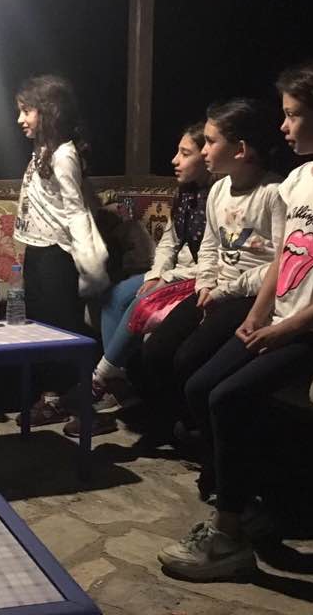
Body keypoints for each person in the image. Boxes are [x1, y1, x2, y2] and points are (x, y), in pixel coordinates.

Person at [159, 59, 313, 580]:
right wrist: (260, 314)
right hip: (282, 318)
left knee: (228, 396)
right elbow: (285, 255)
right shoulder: (300, 179)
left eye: (293, 114)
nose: (282, 126)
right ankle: (249, 500)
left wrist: (289, 328)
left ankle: (228, 534)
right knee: (199, 385)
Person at [141, 99, 285, 425]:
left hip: (251, 296)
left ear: (241, 149)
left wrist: (225, 291)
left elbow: (281, 262)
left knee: (188, 357)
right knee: (155, 350)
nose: (204, 150)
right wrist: (206, 283)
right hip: (214, 288)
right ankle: (174, 424)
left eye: (210, 141)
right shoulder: (219, 190)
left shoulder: (274, 192)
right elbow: (209, 246)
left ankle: (194, 429)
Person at [87, 122, 212, 415]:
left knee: (143, 302)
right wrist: (157, 274)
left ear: (205, 157)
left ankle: (102, 378)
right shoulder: (185, 193)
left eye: (185, 154)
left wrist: (166, 278)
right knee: (115, 296)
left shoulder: (217, 196)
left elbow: (212, 259)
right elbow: (169, 241)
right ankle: (121, 383)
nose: (174, 160)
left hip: (196, 277)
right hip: (172, 272)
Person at [12, 74, 110, 426]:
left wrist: (89, 262)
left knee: (61, 329)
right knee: (39, 324)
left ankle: (82, 405)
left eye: (27, 111)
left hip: (58, 254)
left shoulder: (65, 155)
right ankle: (50, 397)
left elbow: (76, 209)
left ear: (49, 111)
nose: (20, 119)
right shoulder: (43, 149)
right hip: (38, 249)